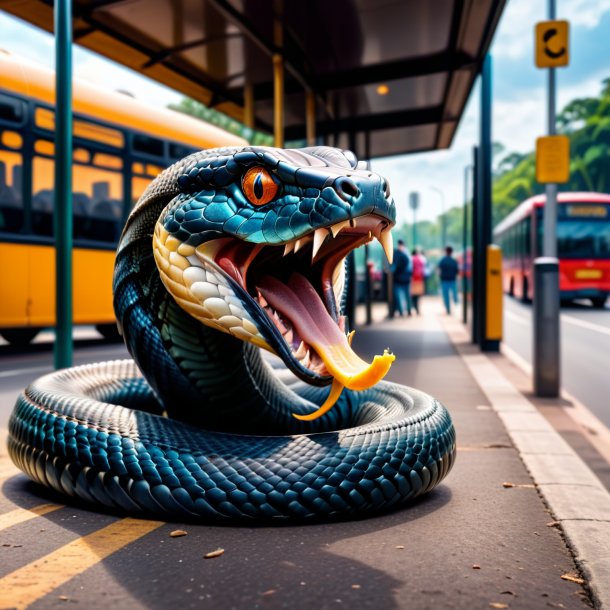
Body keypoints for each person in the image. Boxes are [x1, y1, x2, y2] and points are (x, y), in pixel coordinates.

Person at [391, 239, 412, 316]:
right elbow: (410, 267)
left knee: (399, 297)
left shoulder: (395, 254)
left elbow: (393, 267)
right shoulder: (407, 254)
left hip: (398, 279)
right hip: (406, 278)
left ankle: (401, 312)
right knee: (407, 296)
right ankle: (408, 311)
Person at [438, 245, 459, 314]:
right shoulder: (454, 260)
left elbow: (439, 269)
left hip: (444, 280)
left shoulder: (442, 260)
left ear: (446, 251)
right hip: (452, 279)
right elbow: (457, 271)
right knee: (454, 293)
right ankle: (456, 302)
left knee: (446, 295)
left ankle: (448, 309)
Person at [410, 248, 427, 314]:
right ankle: (417, 308)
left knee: (413, 295)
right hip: (420, 279)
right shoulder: (422, 259)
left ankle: (414, 306)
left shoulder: (411, 259)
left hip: (413, 279)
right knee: (418, 295)